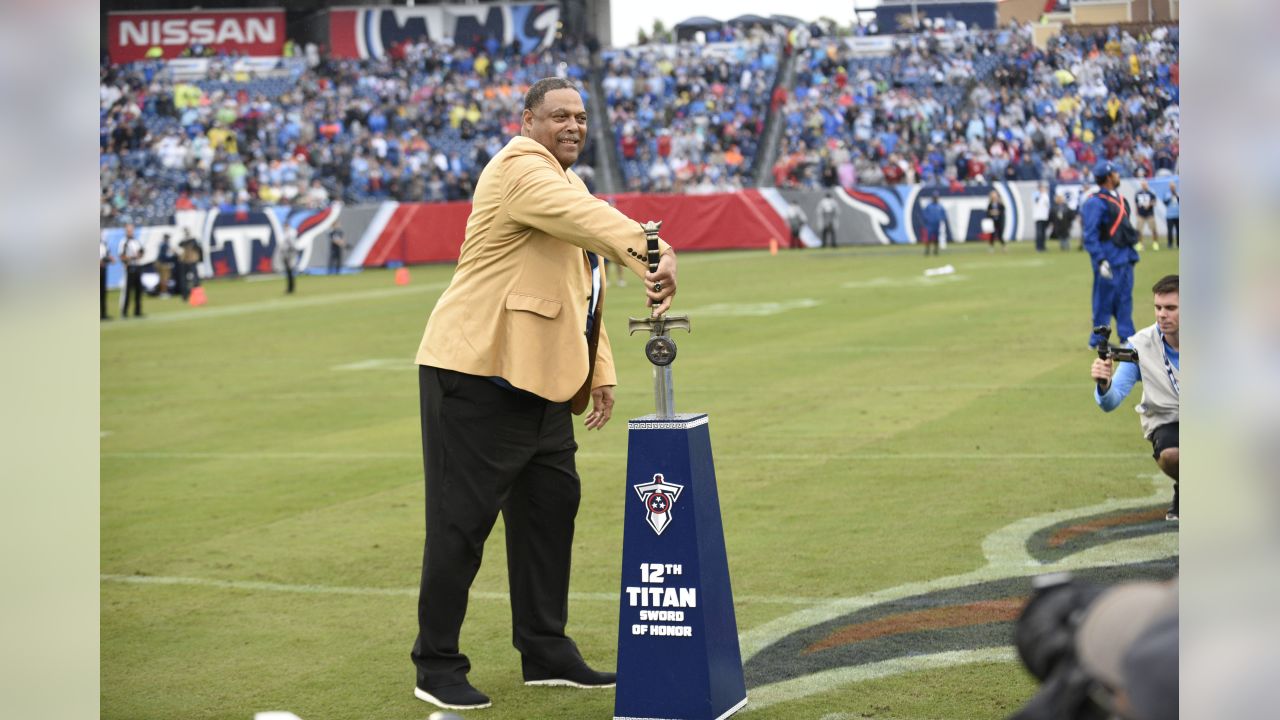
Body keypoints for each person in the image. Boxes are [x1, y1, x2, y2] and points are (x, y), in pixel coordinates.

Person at [409, 77, 678, 711]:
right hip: (476, 375)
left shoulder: (567, 183)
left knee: (549, 516)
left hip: (542, 384)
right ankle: (436, 663)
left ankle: (546, 650)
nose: (572, 126)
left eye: (581, 117)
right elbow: (588, 226)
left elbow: (584, 287)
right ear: (527, 120)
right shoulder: (518, 169)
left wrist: (600, 368)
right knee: (459, 524)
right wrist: (650, 245)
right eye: (558, 115)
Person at [1090, 275, 1180, 520]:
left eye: (1171, 308)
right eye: (1158, 307)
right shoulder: (1141, 345)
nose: (1162, 314)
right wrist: (1104, 384)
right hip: (1169, 423)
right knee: (1173, 454)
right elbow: (1111, 402)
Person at [1083, 160, 1140, 349]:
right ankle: (1098, 340)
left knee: (1125, 298)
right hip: (1108, 258)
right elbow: (1090, 235)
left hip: (1125, 256)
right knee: (1103, 301)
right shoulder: (1094, 202)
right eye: (1115, 172)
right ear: (1108, 177)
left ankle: (1127, 336)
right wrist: (1100, 260)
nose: (1118, 175)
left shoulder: (1120, 199)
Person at [120, 224, 144, 318]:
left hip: (137, 266)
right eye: (129, 230)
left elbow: (141, 251)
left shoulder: (136, 241)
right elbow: (122, 256)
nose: (131, 232)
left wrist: (140, 255)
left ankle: (137, 311)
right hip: (129, 267)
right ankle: (124, 312)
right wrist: (132, 257)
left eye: (132, 230)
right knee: (127, 291)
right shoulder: (124, 242)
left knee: (138, 290)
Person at [1132, 180, 1160, 251]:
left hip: (1150, 214)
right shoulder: (1138, 193)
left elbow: (1155, 202)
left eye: (1145, 184)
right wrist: (1136, 211)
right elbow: (1136, 203)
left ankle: (1155, 243)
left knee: (1153, 229)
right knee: (1139, 230)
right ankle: (1140, 244)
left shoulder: (1151, 193)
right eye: (1142, 185)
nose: (1144, 186)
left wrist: (1149, 204)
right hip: (1141, 214)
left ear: (1147, 185)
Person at [1032, 182, 1051, 252]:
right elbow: (1036, 200)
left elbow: (1047, 205)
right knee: (1039, 232)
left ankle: (1043, 246)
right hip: (1038, 216)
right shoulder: (1036, 194)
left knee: (1043, 232)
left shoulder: (1045, 195)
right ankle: (1038, 247)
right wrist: (1041, 193)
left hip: (1044, 216)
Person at [279, 225, 298, 294]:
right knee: (288, 272)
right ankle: (290, 288)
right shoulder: (286, 234)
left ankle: (291, 288)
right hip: (286, 254)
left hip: (290, 254)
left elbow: (292, 245)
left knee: (289, 271)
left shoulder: (290, 233)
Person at [100, 233, 115, 320]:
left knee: (103, 292)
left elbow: (107, 255)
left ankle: (103, 314)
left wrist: (111, 259)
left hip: (103, 269)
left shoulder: (103, 244)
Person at [1162, 182, 1179, 249]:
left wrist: (1176, 195)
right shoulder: (1167, 194)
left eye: (1173, 186)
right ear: (1169, 187)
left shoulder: (1178, 193)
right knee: (1170, 231)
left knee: (1179, 231)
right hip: (1169, 215)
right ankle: (1170, 244)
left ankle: (1178, 244)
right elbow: (1165, 203)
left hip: (1178, 215)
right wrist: (1171, 196)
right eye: (1171, 187)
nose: (1172, 188)